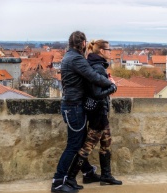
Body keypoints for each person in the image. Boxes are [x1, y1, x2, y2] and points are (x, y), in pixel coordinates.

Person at [51, 32, 116, 193]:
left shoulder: (68, 56)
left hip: (72, 105)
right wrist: (111, 85)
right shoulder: (76, 58)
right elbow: (93, 76)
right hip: (73, 107)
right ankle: (58, 182)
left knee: (79, 143)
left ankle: (87, 172)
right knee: (73, 146)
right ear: (83, 43)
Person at [64, 39, 122, 188]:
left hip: (99, 112)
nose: (111, 52)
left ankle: (106, 176)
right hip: (98, 113)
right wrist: (113, 87)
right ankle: (70, 177)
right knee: (87, 146)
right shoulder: (98, 67)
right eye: (109, 50)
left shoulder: (94, 65)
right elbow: (97, 93)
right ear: (102, 51)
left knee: (106, 143)